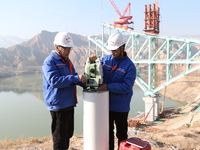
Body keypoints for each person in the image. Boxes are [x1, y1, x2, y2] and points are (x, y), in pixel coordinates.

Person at [90, 31, 136, 150]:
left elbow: (126, 86)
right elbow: (96, 72)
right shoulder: (105, 60)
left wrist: (108, 86)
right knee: (107, 134)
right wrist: (91, 63)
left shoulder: (129, 66)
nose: (113, 52)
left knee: (121, 135)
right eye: (111, 50)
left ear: (122, 48)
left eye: (115, 50)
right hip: (106, 105)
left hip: (120, 106)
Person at [42, 32, 86, 150]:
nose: (68, 51)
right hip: (59, 105)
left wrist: (85, 83)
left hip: (69, 104)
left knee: (67, 135)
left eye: (69, 48)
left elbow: (74, 77)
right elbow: (54, 81)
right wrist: (76, 78)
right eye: (66, 48)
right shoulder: (50, 61)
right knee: (60, 139)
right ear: (57, 47)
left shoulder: (67, 61)